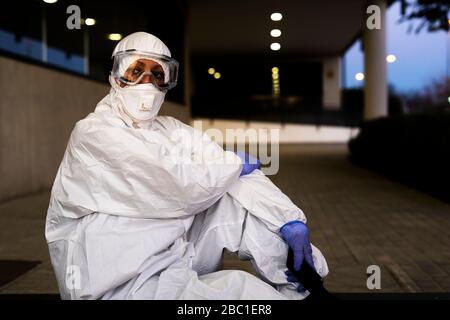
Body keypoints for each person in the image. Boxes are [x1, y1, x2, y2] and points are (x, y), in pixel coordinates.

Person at [45, 32, 328, 300]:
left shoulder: (169, 129)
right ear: (116, 78)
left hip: (174, 257)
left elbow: (228, 175)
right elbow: (175, 184)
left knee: (236, 191)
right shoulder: (94, 133)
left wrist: (288, 219)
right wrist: (229, 163)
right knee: (250, 295)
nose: (147, 82)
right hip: (116, 281)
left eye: (157, 74)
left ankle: (306, 283)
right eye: (136, 71)